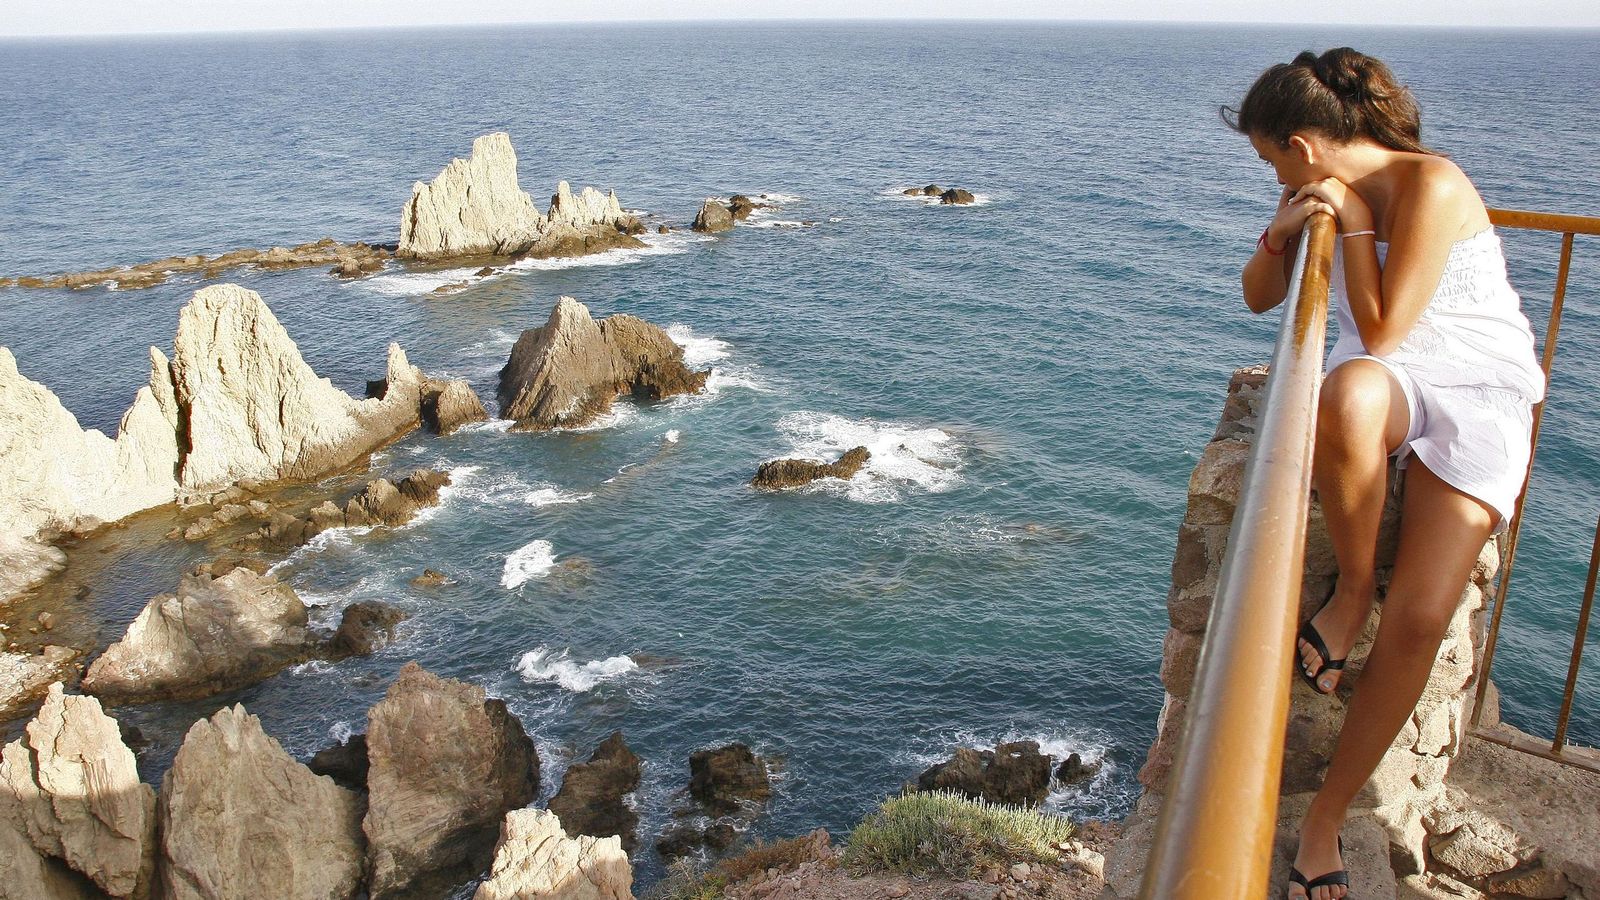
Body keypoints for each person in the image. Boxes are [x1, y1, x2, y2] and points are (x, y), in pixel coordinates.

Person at [1226, 48, 1545, 899]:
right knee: (1353, 389)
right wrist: (1284, 229)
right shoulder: (1314, 190)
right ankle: (1354, 586)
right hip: (1393, 378)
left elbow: (1386, 321)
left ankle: (1328, 816)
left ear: (1302, 142)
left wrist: (1353, 220)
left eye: (1270, 160)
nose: (1271, 173)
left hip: (1477, 384)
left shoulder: (1432, 184)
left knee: (1423, 618)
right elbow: (1262, 295)